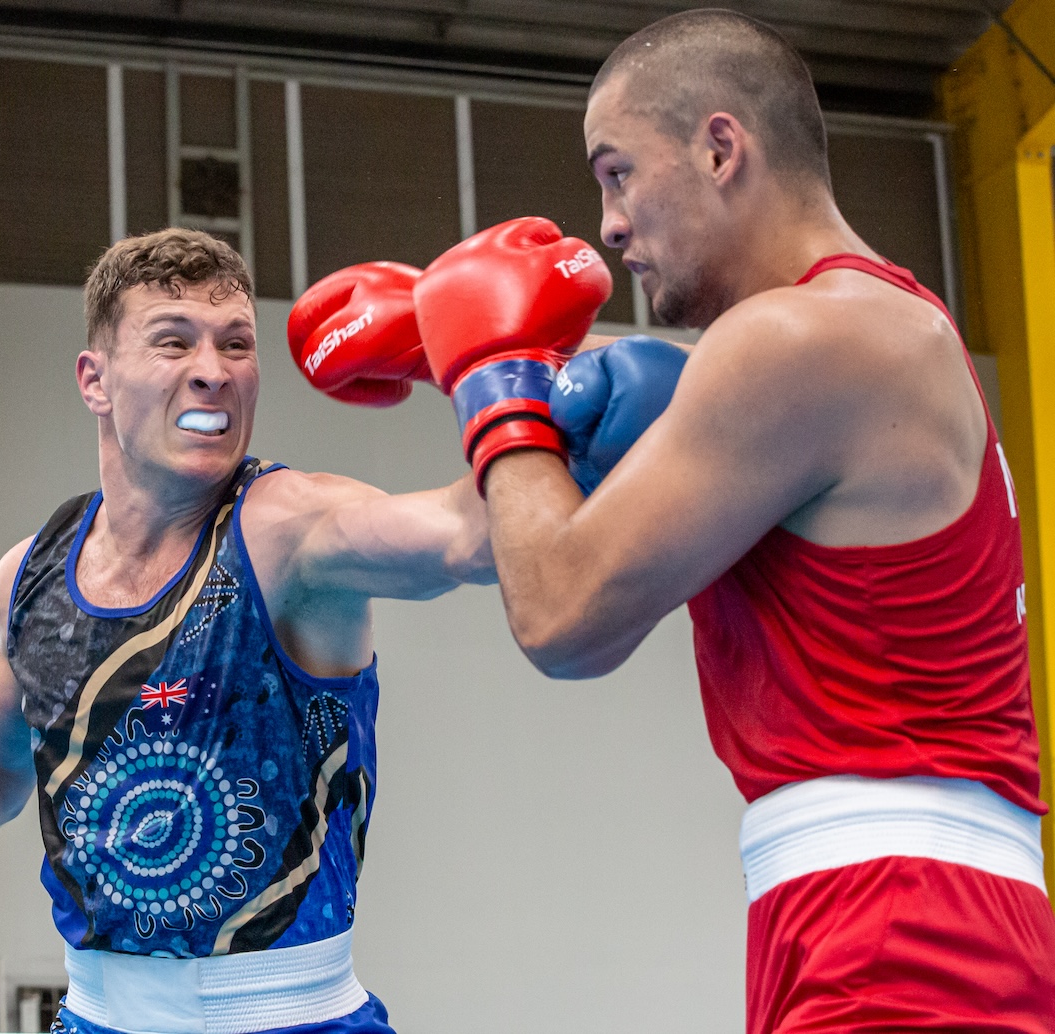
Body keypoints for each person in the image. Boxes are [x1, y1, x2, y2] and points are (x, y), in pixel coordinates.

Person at [307, 9, 1055, 1033]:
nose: (608, 224)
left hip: (900, 925)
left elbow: (561, 616)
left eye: (616, 172)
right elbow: (590, 600)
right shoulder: (860, 332)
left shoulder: (801, 340)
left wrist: (493, 376)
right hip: (880, 912)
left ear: (718, 148)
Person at [0, 229, 507, 1034]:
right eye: (173, 341)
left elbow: (465, 535)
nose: (213, 371)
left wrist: (499, 377)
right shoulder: (32, 575)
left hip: (292, 1020)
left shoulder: (289, 530)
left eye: (236, 344)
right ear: (95, 380)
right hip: (93, 1020)